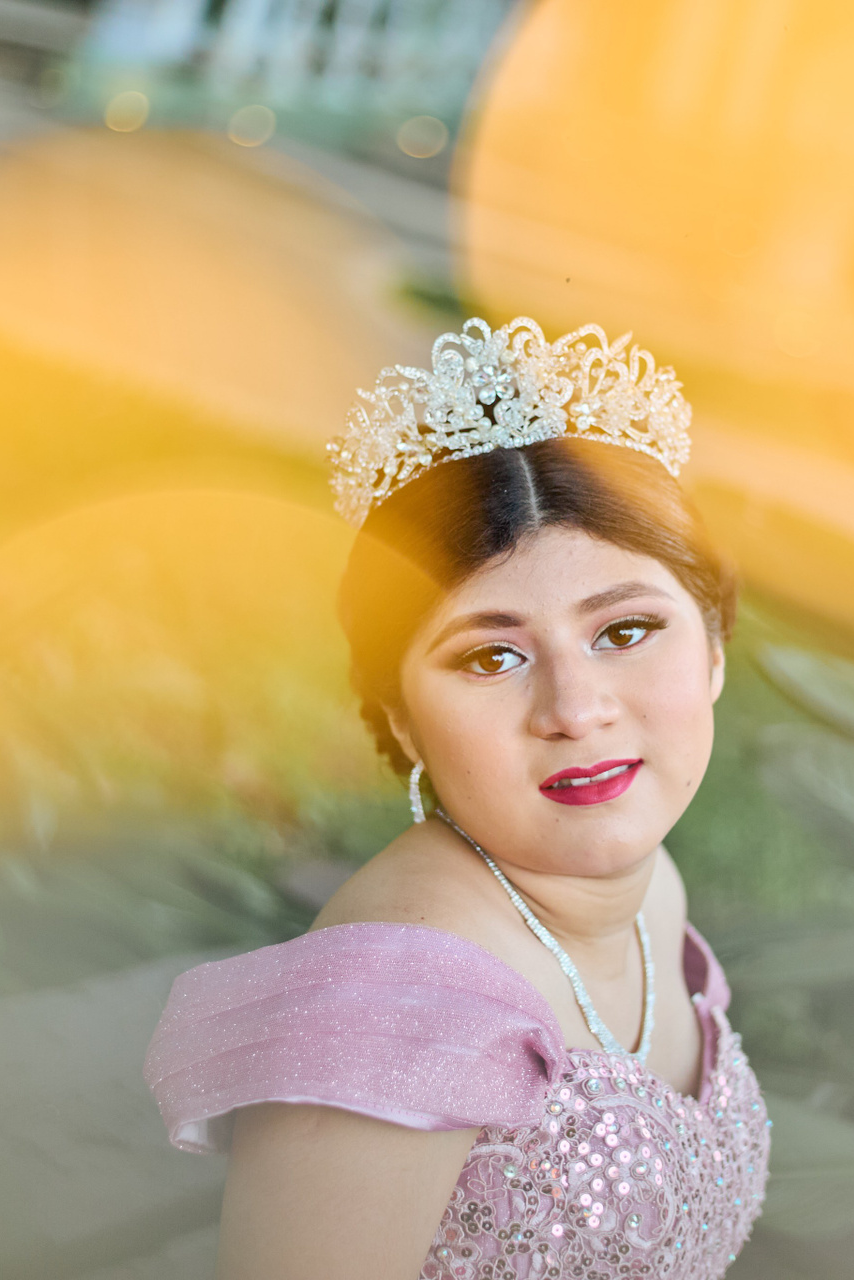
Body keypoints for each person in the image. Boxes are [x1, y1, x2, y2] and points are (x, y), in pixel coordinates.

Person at [145, 316, 769, 1279]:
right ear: (400, 720)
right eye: (491, 657)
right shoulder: (392, 1001)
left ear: (715, 649)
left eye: (625, 632)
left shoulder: (649, 890)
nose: (575, 710)